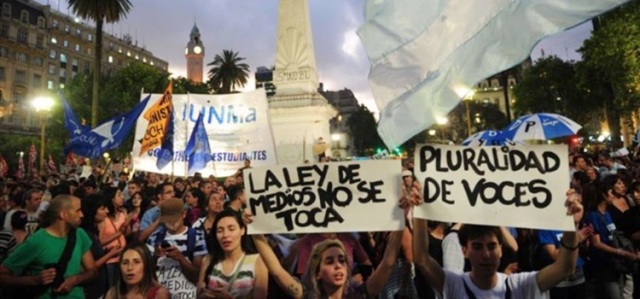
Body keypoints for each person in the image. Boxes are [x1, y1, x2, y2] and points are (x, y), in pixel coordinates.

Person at [408, 181, 585, 299]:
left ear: (501, 249)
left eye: (492, 246)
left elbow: (565, 268)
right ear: (465, 251)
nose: (486, 254)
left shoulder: (518, 285)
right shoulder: (455, 284)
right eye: (477, 247)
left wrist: (570, 223)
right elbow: (422, 259)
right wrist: (419, 211)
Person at [250, 229, 404, 298]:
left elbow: (388, 263)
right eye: (329, 261)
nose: (338, 265)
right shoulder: (306, 295)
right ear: (317, 272)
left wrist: (401, 218)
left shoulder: (360, 295)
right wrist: (255, 230)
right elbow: (277, 270)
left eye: (342, 260)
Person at [0, 194, 97, 298]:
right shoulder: (36, 242)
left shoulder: (80, 234)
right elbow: (2, 274)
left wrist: (75, 280)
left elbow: (92, 271)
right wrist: (35, 280)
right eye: (78, 210)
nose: (82, 215)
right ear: (63, 214)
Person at [197, 210, 268, 299]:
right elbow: (199, 294)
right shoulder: (208, 260)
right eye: (220, 230)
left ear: (242, 230)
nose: (225, 235)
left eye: (231, 229)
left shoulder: (258, 261)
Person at [147, 198, 207, 298]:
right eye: (168, 219)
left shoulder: (196, 236)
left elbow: (198, 276)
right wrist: (155, 256)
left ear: (183, 214)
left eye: (175, 218)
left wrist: (180, 258)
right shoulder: (154, 237)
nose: (171, 222)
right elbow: (146, 272)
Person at [81, 194, 123, 299]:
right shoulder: (84, 233)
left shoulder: (93, 231)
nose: (107, 211)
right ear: (92, 211)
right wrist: (110, 254)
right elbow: (90, 266)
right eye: (102, 209)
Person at [106, 242, 170, 299]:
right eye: (125, 263)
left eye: (136, 262)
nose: (129, 268)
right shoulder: (112, 294)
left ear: (146, 265)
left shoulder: (159, 295)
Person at [100, 187, 129, 286]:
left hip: (123, 256)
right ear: (112, 199)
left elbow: (127, 234)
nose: (122, 197)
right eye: (119, 195)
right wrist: (118, 233)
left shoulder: (122, 214)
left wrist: (127, 221)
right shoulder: (104, 218)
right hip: (110, 258)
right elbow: (99, 242)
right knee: (112, 287)